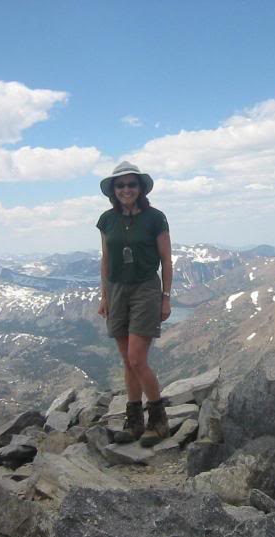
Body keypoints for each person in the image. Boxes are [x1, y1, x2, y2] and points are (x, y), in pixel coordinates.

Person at [96, 161, 172, 446]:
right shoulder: (106, 220)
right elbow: (106, 259)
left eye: (131, 184)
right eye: (120, 185)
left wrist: (166, 297)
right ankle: (134, 422)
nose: (126, 189)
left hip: (145, 289)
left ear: (140, 188)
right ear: (113, 191)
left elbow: (166, 259)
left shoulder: (155, 218)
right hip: (116, 291)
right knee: (127, 362)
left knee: (138, 359)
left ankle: (158, 420)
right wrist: (105, 296)